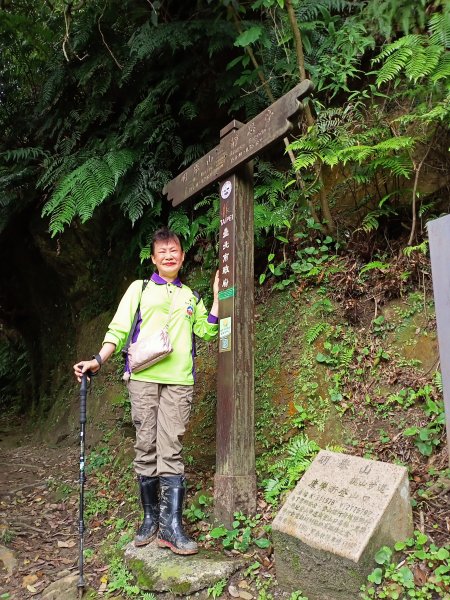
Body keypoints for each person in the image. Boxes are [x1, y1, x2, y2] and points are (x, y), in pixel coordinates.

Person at [74, 227, 219, 555]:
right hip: (143, 379)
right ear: (153, 259)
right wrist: (99, 359)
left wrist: (217, 297)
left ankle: (171, 527)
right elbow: (120, 328)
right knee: (145, 446)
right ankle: (150, 519)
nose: (169, 256)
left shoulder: (190, 297)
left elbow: (207, 332)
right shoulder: (139, 290)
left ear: (182, 257)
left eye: (175, 251)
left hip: (179, 382)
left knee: (172, 449)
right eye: (162, 252)